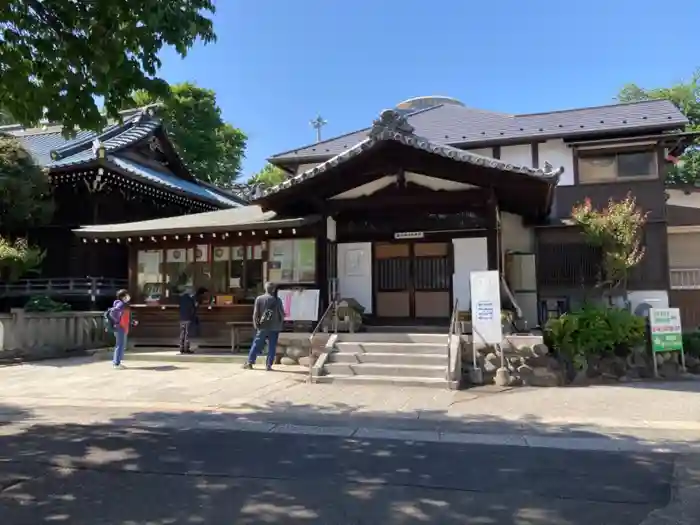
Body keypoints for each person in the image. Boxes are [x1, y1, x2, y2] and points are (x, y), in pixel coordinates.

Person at [243, 282, 286, 371]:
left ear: (265, 289)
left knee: (257, 344)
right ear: (274, 290)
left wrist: (256, 324)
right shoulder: (277, 300)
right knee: (272, 346)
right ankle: (268, 365)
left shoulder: (259, 299)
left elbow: (255, 314)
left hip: (263, 326)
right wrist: (280, 323)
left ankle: (250, 362)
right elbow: (282, 314)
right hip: (275, 326)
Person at [108, 289, 138, 369]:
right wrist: (117, 323)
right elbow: (113, 312)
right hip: (120, 327)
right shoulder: (120, 304)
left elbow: (125, 316)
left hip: (123, 327)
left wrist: (132, 321)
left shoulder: (125, 304)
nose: (128, 297)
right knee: (119, 345)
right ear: (122, 296)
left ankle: (118, 362)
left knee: (121, 345)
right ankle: (116, 363)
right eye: (126, 295)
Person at [178, 287, 206, 354]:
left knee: (182, 333)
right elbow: (193, 307)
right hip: (188, 318)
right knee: (187, 334)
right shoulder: (190, 299)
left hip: (182, 318)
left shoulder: (182, 298)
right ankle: (186, 348)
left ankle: (181, 348)